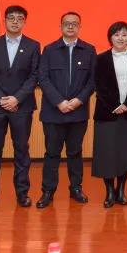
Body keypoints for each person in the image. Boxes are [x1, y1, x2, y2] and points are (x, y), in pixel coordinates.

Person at [0, 5, 41, 211]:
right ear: (4, 21)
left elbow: (34, 76)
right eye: (11, 18)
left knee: (21, 151)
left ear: (24, 22)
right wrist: (1, 99)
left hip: (21, 107)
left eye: (19, 18)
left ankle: (22, 193)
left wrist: (17, 99)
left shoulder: (33, 45)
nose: (15, 21)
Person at [36, 11, 97, 208]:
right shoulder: (49, 50)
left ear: (80, 27)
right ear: (61, 26)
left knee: (75, 152)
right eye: (66, 23)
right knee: (52, 153)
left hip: (78, 112)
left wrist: (79, 100)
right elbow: (43, 78)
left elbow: (92, 80)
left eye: (74, 24)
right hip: (53, 112)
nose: (70, 26)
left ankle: (76, 188)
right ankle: (48, 191)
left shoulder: (89, 50)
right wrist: (59, 102)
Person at [91, 21, 127, 208]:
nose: (120, 38)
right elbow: (99, 85)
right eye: (116, 34)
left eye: (124, 35)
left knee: (125, 153)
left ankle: (121, 189)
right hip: (107, 113)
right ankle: (109, 191)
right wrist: (115, 105)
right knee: (107, 153)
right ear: (110, 37)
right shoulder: (100, 59)